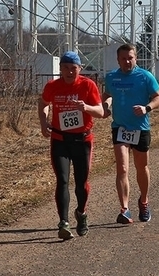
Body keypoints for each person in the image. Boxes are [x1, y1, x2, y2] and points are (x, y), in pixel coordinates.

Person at [38, 51, 104, 240]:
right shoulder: (53, 86)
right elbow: (43, 103)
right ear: (60, 69)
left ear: (79, 69)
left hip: (82, 141)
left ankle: (81, 213)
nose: (69, 72)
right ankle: (63, 223)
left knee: (81, 184)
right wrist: (44, 122)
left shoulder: (88, 85)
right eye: (65, 68)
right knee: (63, 180)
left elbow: (100, 112)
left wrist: (86, 108)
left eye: (73, 68)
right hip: (60, 140)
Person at [101, 44, 159, 224]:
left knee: (141, 167)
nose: (127, 61)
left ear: (135, 58)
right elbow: (105, 94)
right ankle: (125, 209)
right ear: (118, 60)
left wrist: (147, 108)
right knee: (122, 168)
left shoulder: (145, 76)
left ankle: (144, 201)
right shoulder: (112, 77)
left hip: (140, 128)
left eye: (130, 58)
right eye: (123, 58)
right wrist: (105, 106)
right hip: (120, 128)